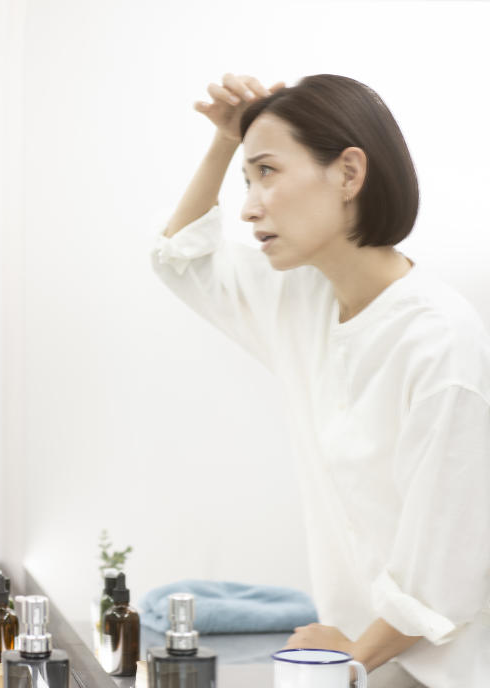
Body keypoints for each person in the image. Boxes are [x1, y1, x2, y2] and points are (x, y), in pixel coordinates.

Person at [151, 73, 489, 688]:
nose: (250, 206)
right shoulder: (304, 299)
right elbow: (181, 259)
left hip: (438, 673)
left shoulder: (439, 341)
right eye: (245, 182)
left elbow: (450, 570)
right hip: (353, 664)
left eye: (268, 173)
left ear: (349, 174)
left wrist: (354, 651)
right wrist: (226, 142)